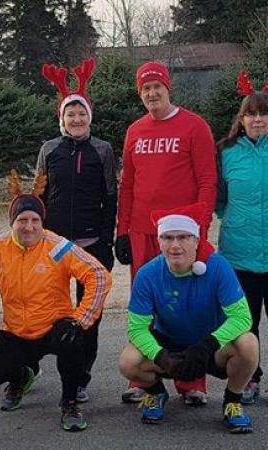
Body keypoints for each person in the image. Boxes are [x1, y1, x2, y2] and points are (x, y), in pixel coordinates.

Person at [116, 61, 217, 404]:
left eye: (157, 86)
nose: (152, 93)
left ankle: (192, 382)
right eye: (145, 89)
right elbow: (127, 185)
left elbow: (207, 181)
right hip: (144, 232)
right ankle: (145, 376)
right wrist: (122, 231)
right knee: (146, 305)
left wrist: (199, 230)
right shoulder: (135, 131)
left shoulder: (194, 126)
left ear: (167, 88)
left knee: (187, 305)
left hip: (182, 235)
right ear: (140, 94)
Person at [0, 180, 112, 432]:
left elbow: (99, 275)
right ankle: (20, 378)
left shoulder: (57, 247)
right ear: (11, 222)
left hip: (54, 329)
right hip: (17, 332)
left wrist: (80, 319)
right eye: (22, 220)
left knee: (73, 341)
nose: (28, 227)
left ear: (42, 222)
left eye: (35, 220)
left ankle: (69, 402)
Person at [119, 202, 258, 433]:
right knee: (128, 361)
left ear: (196, 240)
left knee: (249, 344)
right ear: (159, 241)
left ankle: (232, 401)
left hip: (211, 344)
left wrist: (208, 344)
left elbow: (242, 317)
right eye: (168, 238)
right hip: (169, 344)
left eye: (183, 237)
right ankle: (156, 393)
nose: (175, 246)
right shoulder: (147, 274)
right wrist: (160, 356)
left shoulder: (218, 266)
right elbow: (136, 328)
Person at [37, 59, 117, 402]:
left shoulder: (102, 150)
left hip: (91, 243)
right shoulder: (49, 149)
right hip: (54, 244)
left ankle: (80, 375)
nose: (77, 119)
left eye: (81, 114)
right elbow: (38, 196)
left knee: (89, 314)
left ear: (89, 117)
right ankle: (30, 366)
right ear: (62, 118)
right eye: (70, 114)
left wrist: (109, 241)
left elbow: (111, 198)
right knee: (49, 310)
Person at [217, 71, 268, 405]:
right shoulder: (226, 151)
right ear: (242, 118)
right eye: (251, 113)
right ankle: (250, 379)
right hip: (239, 253)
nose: (258, 119)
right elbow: (219, 199)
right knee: (245, 323)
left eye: (264, 113)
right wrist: (233, 219)